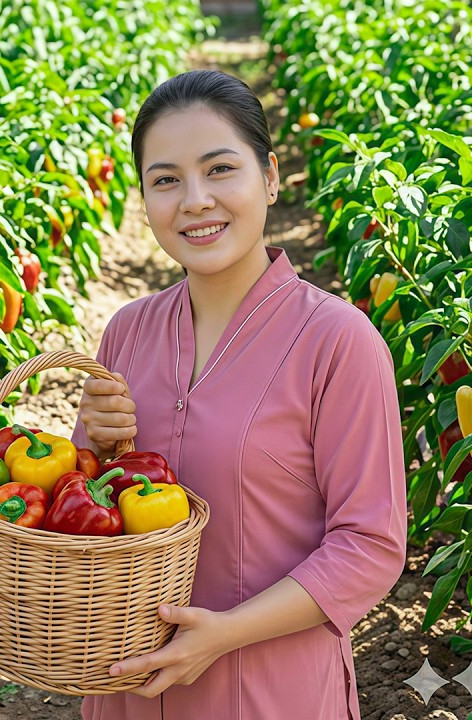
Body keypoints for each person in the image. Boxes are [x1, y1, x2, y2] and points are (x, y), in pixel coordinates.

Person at [71, 69, 406, 719]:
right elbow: (87, 514)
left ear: (272, 176)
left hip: (268, 691)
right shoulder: (127, 333)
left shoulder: (337, 342)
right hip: (125, 690)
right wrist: (96, 448)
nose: (194, 200)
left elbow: (370, 545)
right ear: (143, 197)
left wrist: (225, 635)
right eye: (165, 180)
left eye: (220, 169)